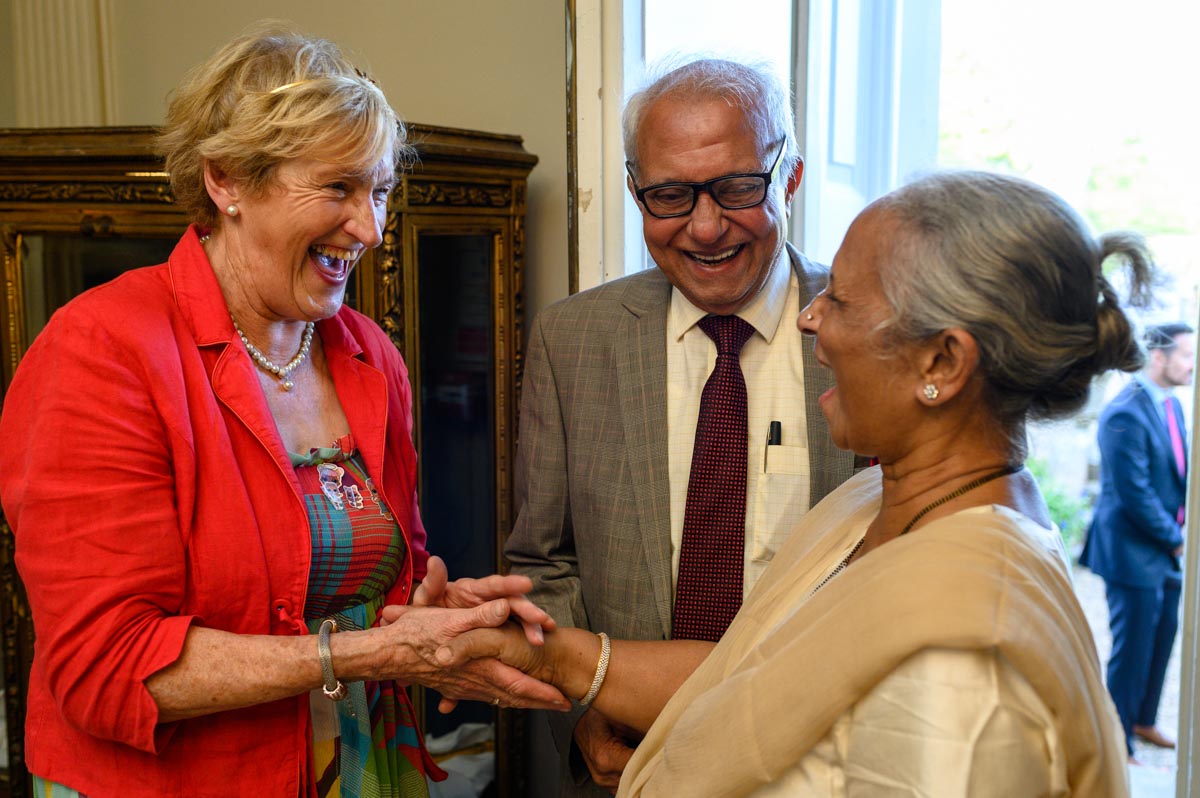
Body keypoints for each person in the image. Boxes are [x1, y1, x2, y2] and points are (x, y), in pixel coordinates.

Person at [0, 23, 565, 798]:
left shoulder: (370, 356)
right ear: (226, 180)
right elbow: (105, 667)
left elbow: (379, 581)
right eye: (338, 188)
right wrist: (368, 655)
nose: (369, 229)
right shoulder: (100, 352)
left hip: (367, 768)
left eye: (381, 191)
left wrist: (430, 610)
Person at [450, 170, 1139, 795]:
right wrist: (546, 656)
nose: (810, 319)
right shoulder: (866, 502)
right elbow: (754, 678)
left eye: (839, 300)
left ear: (942, 360)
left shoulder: (965, 669)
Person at [502, 57, 858, 793]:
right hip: (631, 765)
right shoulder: (572, 341)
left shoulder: (869, 333)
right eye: (669, 195)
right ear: (636, 192)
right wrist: (582, 714)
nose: (704, 227)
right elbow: (542, 562)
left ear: (788, 176)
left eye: (736, 188)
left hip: (820, 763)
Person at [1081, 321, 1193, 761]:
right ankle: (1116, 738)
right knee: (1133, 650)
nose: (1191, 364)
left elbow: (1178, 475)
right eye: (1186, 355)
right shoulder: (1123, 412)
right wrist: (1178, 540)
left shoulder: (1173, 406)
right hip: (1131, 550)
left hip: (1162, 548)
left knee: (1164, 635)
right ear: (1159, 357)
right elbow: (1134, 493)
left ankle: (1144, 721)